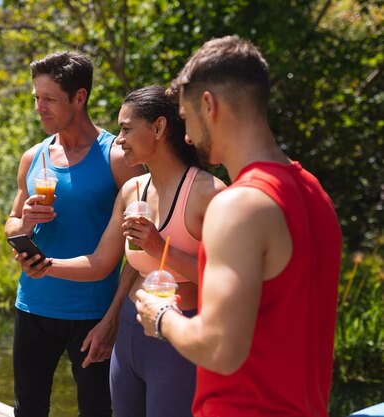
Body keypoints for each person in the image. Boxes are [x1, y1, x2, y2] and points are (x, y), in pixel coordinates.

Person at [135, 36, 342, 417]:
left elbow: (219, 349)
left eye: (186, 117)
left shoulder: (237, 205)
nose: (188, 136)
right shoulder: (316, 195)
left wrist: (160, 318)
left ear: (209, 105)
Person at [21, 85, 225, 417]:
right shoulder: (132, 189)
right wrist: (45, 265)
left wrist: (159, 247)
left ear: (159, 128)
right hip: (131, 333)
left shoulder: (209, 193)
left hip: (179, 336)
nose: (118, 139)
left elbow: (223, 284)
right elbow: (101, 262)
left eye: (127, 128)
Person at [5, 51, 144, 417]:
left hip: (93, 314)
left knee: (96, 411)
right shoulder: (33, 156)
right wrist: (27, 224)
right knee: (28, 409)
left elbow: (140, 246)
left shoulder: (119, 157)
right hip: (32, 306)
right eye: (36, 98)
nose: (39, 107)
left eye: (48, 98)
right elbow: (12, 224)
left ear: (79, 97)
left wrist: (114, 316)